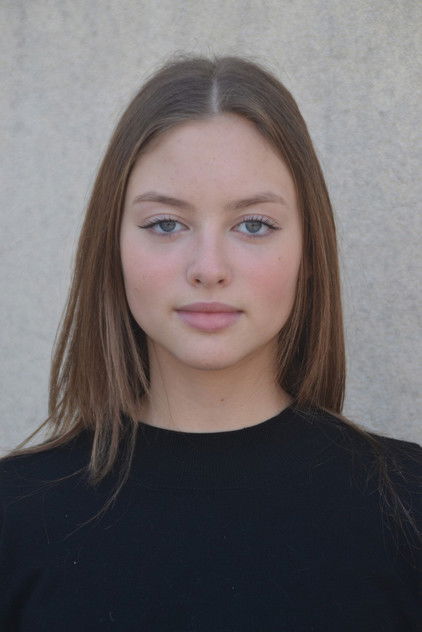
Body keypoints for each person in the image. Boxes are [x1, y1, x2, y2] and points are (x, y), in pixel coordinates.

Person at [0, 55, 420, 631]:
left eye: (254, 225)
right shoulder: (13, 516)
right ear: (112, 246)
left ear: (308, 249)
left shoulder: (408, 505)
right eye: (166, 224)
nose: (209, 268)